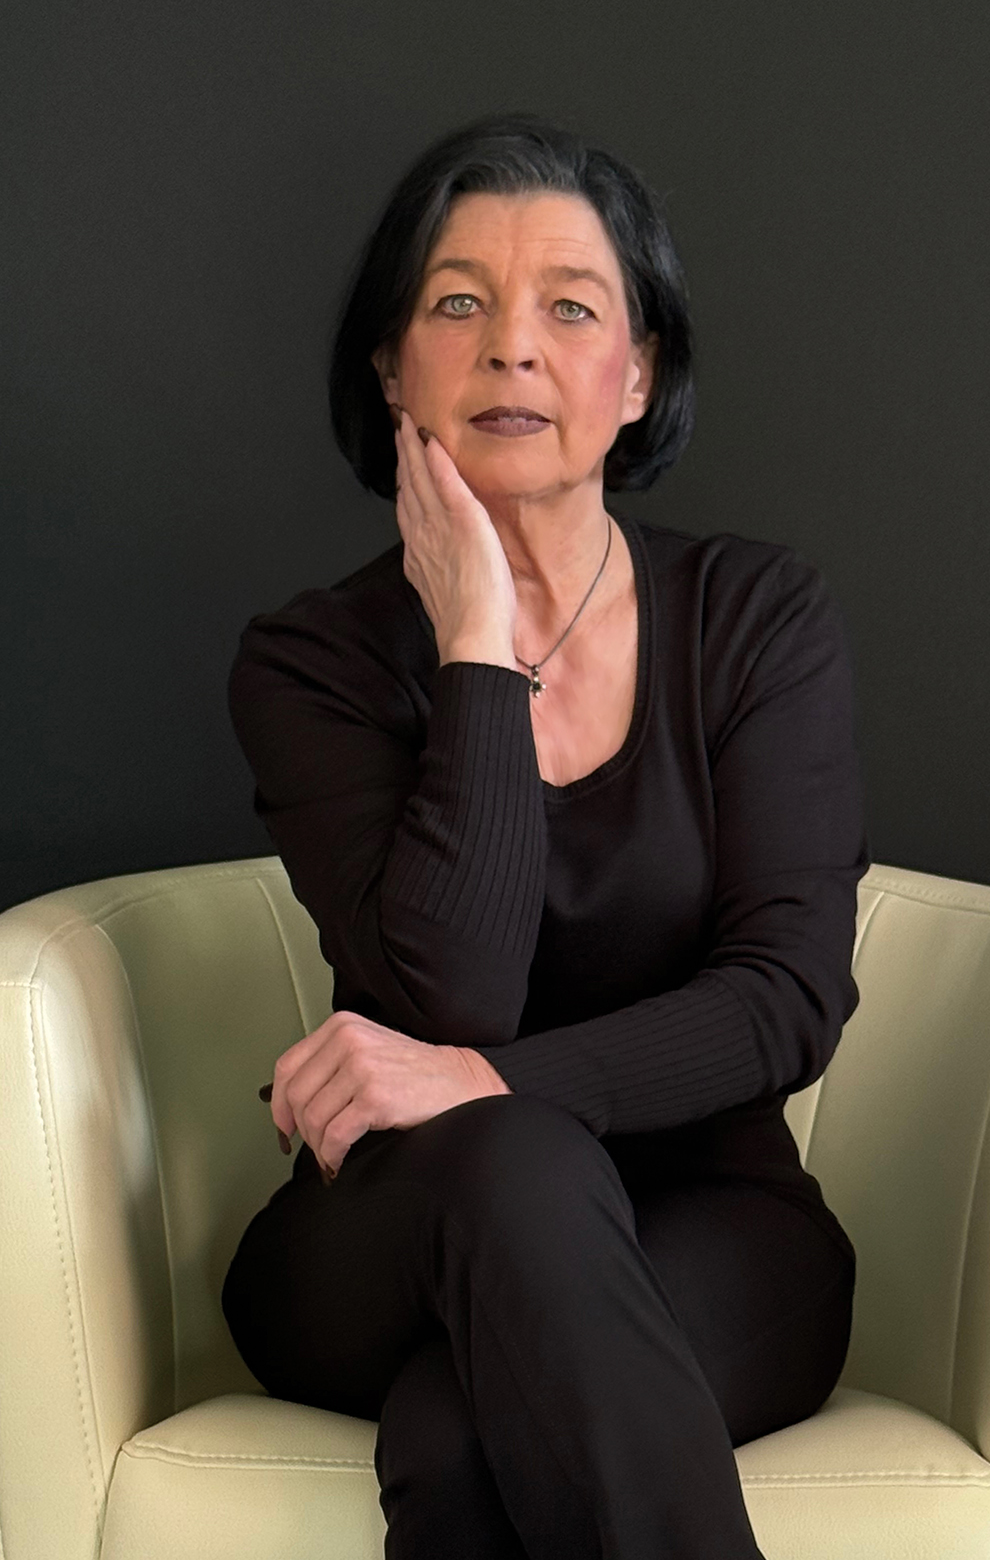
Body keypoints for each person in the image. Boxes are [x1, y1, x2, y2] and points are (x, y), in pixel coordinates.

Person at [221, 111, 870, 1560]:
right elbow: (454, 991)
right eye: (458, 304)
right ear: (392, 368)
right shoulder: (314, 663)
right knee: (509, 1158)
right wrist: (473, 640)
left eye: (569, 308)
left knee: (463, 1442)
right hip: (394, 1230)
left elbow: (785, 998)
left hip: (714, 1216)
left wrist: (488, 1080)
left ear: (638, 375)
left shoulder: (757, 621)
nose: (511, 346)